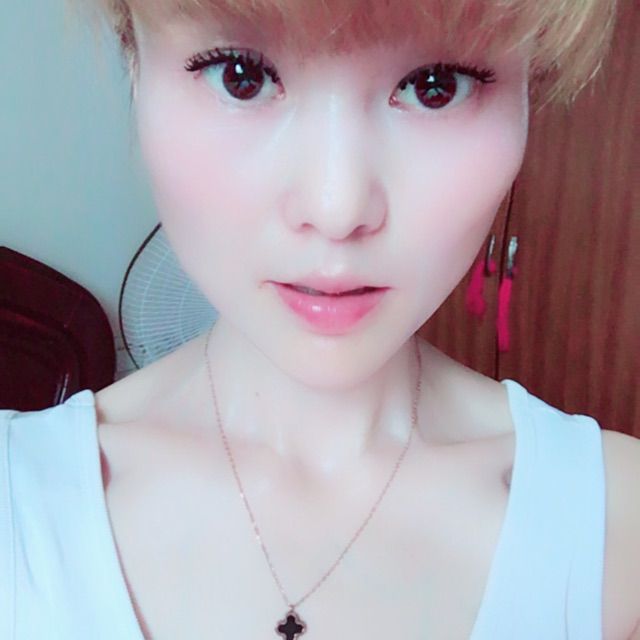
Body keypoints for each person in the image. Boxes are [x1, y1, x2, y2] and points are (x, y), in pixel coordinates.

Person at [1, 0, 638, 638]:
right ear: (134, 63)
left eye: (435, 87)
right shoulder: (17, 504)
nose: (337, 208)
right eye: (241, 76)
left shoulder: (619, 527)